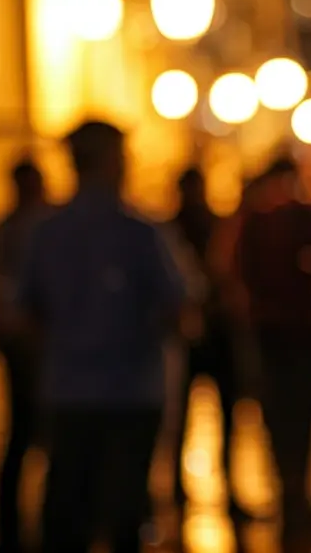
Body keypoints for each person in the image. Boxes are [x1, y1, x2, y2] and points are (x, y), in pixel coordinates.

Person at [18, 121, 186, 553]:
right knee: (124, 515)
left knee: (67, 514)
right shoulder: (140, 233)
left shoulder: (45, 233)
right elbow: (178, 305)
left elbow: (23, 312)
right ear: (111, 163)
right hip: (130, 393)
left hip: (68, 390)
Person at [235, 157, 311, 551]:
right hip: (291, 333)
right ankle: (294, 495)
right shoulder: (291, 218)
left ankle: (292, 494)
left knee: (285, 418)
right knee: (295, 417)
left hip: (278, 333)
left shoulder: (257, 220)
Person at [169, 168, 250, 525]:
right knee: (181, 417)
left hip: (217, 333)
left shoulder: (214, 226)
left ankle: (223, 486)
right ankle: (177, 489)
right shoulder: (171, 230)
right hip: (193, 336)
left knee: (226, 416)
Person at [0, 160, 49, 553]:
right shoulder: (6, 233)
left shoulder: (15, 231)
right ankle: (16, 528)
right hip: (29, 348)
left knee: (31, 436)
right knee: (26, 434)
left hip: (40, 347)